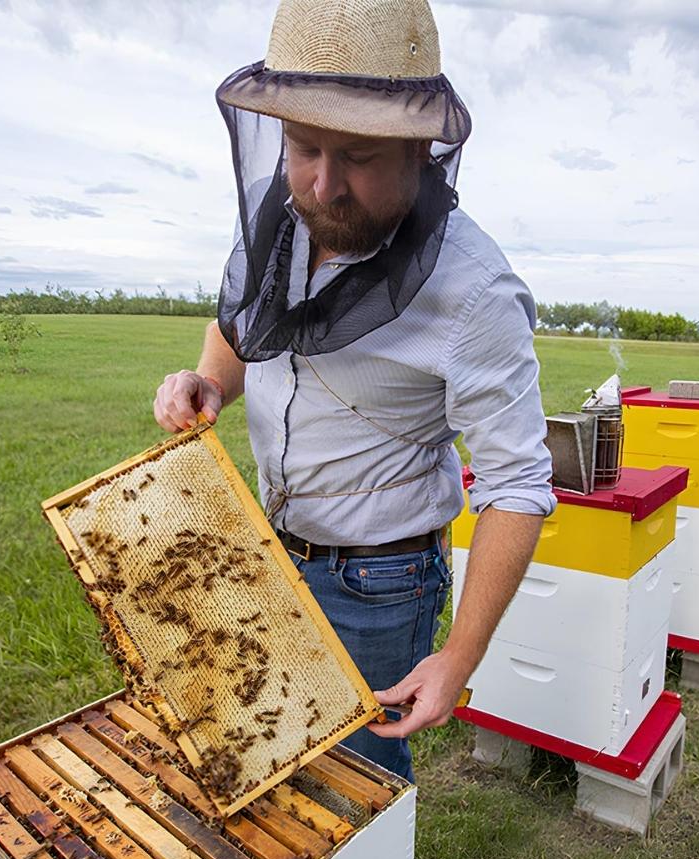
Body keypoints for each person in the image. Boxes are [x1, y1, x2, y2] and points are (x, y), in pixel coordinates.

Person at [153, 0, 554, 781]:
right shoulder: (281, 213)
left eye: (360, 156)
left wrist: (458, 656)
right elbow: (239, 329)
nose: (324, 184)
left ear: (418, 146)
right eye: (304, 149)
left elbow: (518, 484)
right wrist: (206, 382)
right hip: (266, 546)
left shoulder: (475, 292)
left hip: (379, 584)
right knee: (266, 764)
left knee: (349, 799)